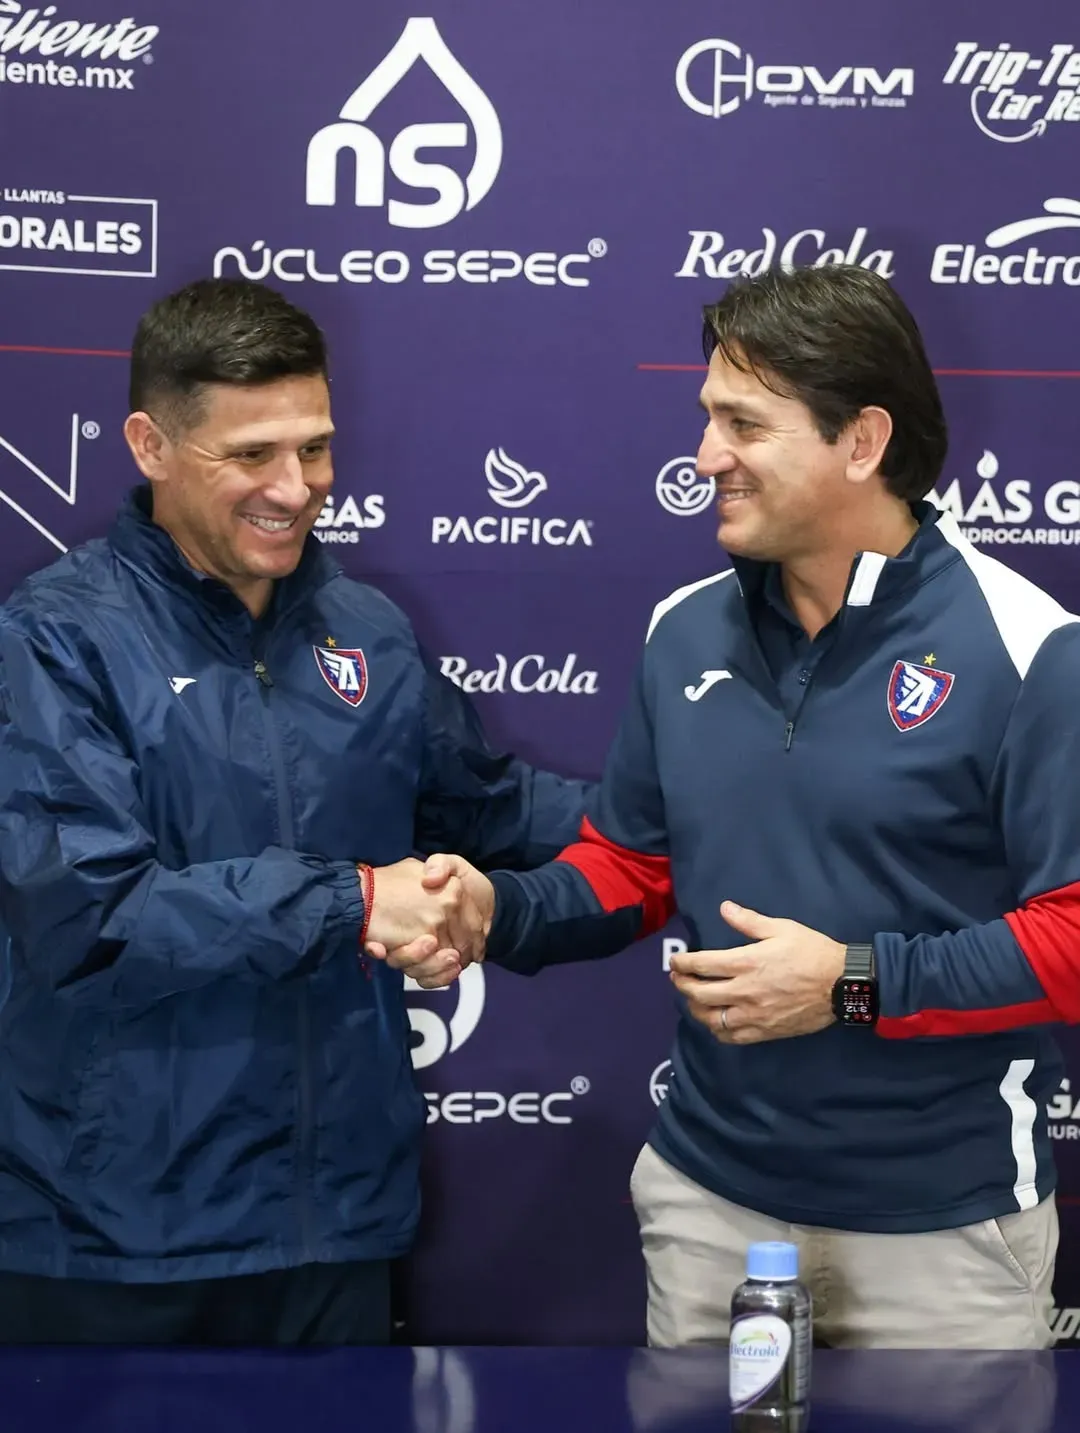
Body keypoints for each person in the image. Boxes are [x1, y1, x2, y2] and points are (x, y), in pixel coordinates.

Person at [408, 265, 1080, 1349]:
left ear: (862, 441)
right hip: (709, 1203)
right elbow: (635, 867)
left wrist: (852, 985)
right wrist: (497, 910)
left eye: (742, 424)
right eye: (707, 418)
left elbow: (1076, 939)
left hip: (943, 1233)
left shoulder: (1030, 648)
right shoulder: (683, 629)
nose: (706, 454)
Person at [0, 277, 586, 1345]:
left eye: (313, 447)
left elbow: (492, 809)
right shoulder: (53, 637)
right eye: (253, 454)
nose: (296, 484)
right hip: (113, 1236)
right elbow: (86, 909)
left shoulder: (368, 626)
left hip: (336, 1227)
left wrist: (706, 807)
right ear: (151, 443)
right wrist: (357, 902)